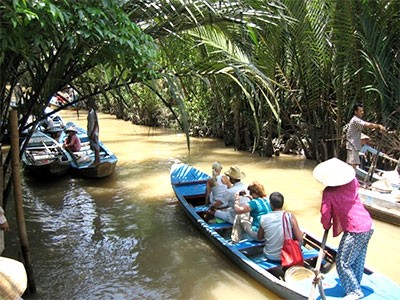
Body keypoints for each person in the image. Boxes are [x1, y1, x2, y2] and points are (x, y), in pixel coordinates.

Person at [313, 157, 374, 300]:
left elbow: (325, 215)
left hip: (356, 228)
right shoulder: (352, 182)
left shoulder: (329, 193)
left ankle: (355, 292)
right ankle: (355, 285)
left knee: (342, 263)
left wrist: (327, 225)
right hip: (368, 224)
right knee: (357, 260)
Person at [257, 192, 303, 262]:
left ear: (270, 204)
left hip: (270, 256)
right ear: (282, 204)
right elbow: (300, 238)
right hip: (288, 255)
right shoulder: (290, 216)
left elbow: (259, 237)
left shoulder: (263, 218)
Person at [346, 103, 385, 168]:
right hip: (352, 145)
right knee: (352, 166)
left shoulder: (357, 120)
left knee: (354, 165)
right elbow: (367, 125)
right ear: (355, 112)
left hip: (354, 145)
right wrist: (378, 126)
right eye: (360, 111)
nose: (362, 112)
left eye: (362, 111)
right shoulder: (355, 120)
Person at [87, 99, 100, 166]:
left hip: (94, 132)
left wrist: (92, 133)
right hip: (90, 131)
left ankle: (97, 160)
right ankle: (96, 160)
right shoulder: (90, 113)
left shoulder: (94, 113)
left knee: (96, 147)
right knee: (94, 146)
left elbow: (96, 124)